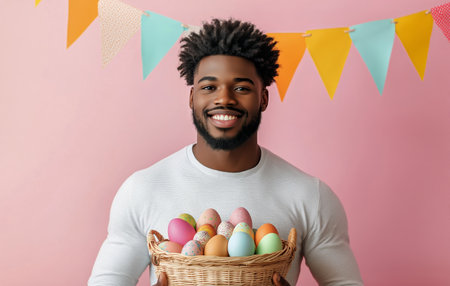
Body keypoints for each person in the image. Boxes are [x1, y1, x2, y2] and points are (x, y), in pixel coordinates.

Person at [88, 19, 363, 286]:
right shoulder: (143, 189)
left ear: (263, 98)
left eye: (242, 88)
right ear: (192, 97)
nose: (225, 99)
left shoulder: (310, 196)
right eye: (209, 87)